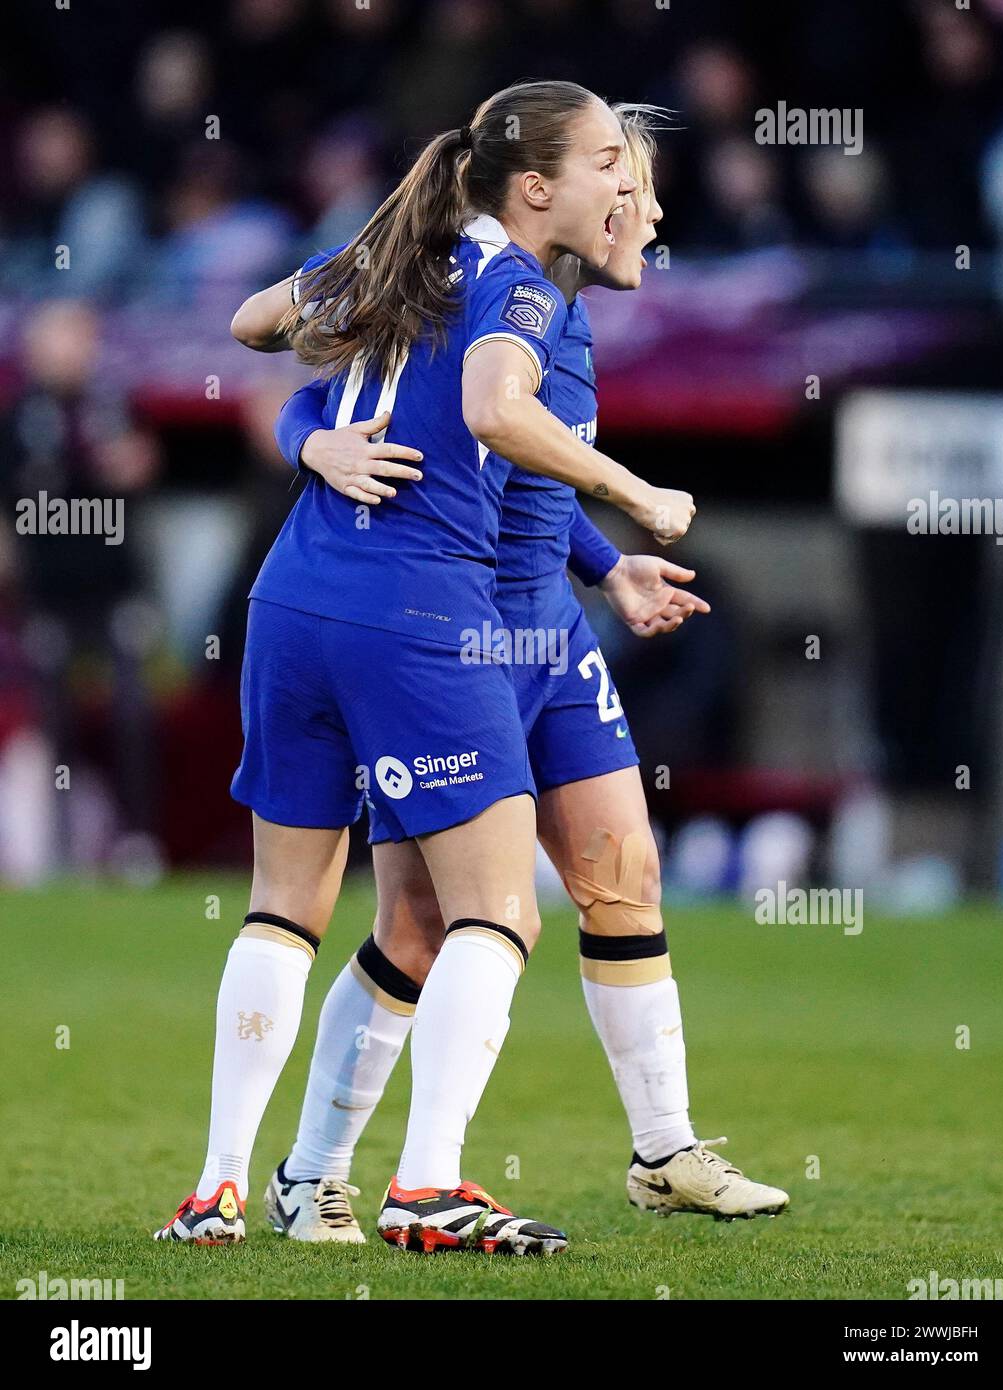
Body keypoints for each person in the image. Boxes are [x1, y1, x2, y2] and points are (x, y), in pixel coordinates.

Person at [154, 81, 696, 1253]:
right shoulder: (513, 285)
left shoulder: (402, 255)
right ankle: (427, 1184)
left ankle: (218, 1189)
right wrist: (637, 492)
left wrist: (309, 435)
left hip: (292, 600)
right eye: (608, 159)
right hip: (416, 621)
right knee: (495, 915)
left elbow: (253, 323)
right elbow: (497, 413)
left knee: (283, 911)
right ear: (535, 184)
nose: (629, 186)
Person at [257, 109, 789, 1247]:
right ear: (542, 188)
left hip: (545, 632)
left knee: (621, 871)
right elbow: (373, 392)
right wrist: (306, 435)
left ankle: (662, 1149)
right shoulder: (477, 280)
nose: (646, 210)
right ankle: (321, 1173)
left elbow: (521, 484)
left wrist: (607, 563)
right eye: (624, 183)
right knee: (418, 920)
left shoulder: (553, 302)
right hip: (445, 636)